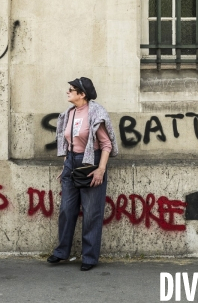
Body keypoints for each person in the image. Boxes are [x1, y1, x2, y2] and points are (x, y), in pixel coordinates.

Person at [47, 77, 119, 271]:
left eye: (71, 89)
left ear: (82, 94)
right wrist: (66, 166)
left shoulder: (95, 113)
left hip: (91, 162)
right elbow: (67, 143)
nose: (67, 92)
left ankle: (89, 256)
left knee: (91, 212)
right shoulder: (68, 114)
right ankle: (62, 251)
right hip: (71, 162)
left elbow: (106, 144)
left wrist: (101, 170)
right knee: (66, 210)